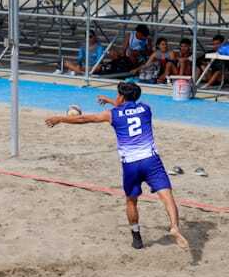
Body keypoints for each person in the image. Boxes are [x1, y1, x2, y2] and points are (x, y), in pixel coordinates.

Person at [45, 82, 189, 250]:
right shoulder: (146, 109)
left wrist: (60, 119)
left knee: (131, 201)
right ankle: (174, 227)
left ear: (120, 97)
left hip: (131, 165)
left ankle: (136, 237)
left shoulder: (112, 114)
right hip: (151, 161)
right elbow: (128, 109)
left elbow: (84, 119)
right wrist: (110, 100)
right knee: (167, 197)